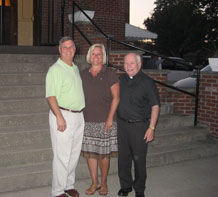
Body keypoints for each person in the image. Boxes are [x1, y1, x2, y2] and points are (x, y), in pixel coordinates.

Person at [45, 36, 85, 197]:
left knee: (74, 154)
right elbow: (51, 96)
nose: (69, 50)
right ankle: (57, 191)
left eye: (71, 47)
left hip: (78, 116)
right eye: (65, 47)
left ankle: (69, 185)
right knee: (62, 156)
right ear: (60, 50)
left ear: (75, 50)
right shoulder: (55, 70)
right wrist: (59, 117)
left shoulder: (74, 67)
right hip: (62, 115)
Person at [117, 53, 160, 197]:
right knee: (123, 159)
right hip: (122, 125)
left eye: (132, 63)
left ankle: (139, 189)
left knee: (139, 160)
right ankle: (125, 186)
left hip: (139, 127)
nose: (128, 66)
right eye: (126, 63)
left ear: (139, 64)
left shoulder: (147, 82)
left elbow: (155, 106)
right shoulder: (120, 79)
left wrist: (151, 128)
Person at [80, 44, 120, 195]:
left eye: (99, 54)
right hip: (88, 120)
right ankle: (94, 182)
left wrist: (110, 118)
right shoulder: (83, 74)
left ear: (103, 56)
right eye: (93, 54)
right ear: (89, 56)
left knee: (103, 155)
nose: (96, 57)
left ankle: (103, 183)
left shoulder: (109, 73)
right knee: (91, 154)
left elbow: (116, 97)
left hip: (105, 121)